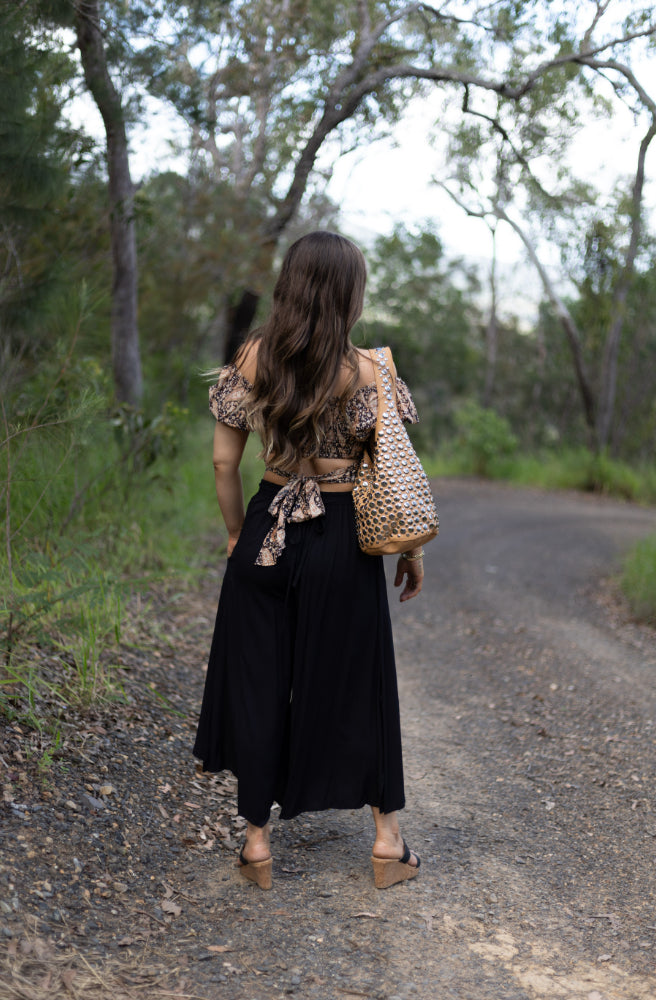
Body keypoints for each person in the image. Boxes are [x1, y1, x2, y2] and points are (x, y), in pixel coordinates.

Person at [193, 231, 427, 890]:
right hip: (344, 535)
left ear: (290, 286)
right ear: (350, 294)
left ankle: (258, 845)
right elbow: (395, 471)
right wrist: (408, 550)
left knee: (260, 681)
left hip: (269, 522)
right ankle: (387, 843)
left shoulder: (254, 355)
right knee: (361, 680)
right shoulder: (369, 370)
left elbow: (222, 461)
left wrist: (239, 536)